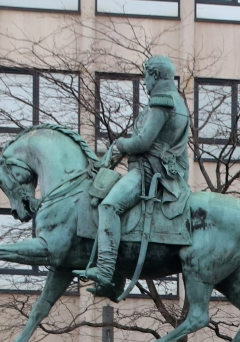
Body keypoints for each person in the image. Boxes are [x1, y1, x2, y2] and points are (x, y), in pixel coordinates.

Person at [79, 54, 192, 292]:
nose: (145, 82)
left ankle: (106, 271)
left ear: (156, 75)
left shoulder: (163, 101)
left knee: (109, 206)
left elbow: (142, 143)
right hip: (158, 170)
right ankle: (117, 276)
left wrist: (119, 144)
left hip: (148, 171)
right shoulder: (180, 102)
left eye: (147, 76)